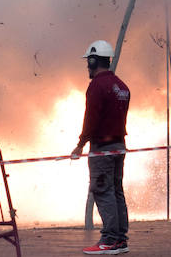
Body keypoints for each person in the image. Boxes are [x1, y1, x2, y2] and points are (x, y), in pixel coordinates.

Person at [71, 39, 131, 255]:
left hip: (102, 149)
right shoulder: (121, 86)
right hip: (119, 147)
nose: (88, 66)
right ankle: (120, 240)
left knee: (103, 191)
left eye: (89, 61)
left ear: (95, 60)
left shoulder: (97, 86)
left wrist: (80, 145)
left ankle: (110, 240)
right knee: (116, 191)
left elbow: (91, 120)